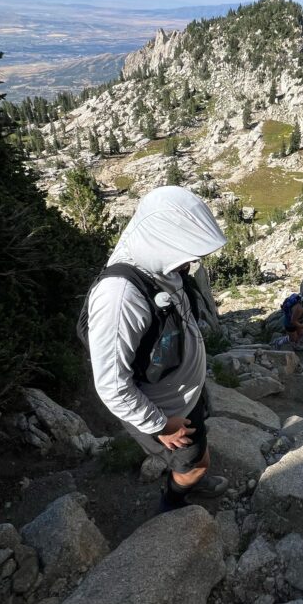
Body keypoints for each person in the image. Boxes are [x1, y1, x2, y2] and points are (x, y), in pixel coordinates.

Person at [87, 186, 229, 512]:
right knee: (194, 462)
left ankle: (190, 474)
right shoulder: (120, 298)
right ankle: (173, 500)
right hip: (164, 408)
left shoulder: (160, 262)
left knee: (197, 452)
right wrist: (160, 424)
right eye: (189, 252)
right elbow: (111, 384)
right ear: (164, 240)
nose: (193, 261)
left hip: (182, 394)